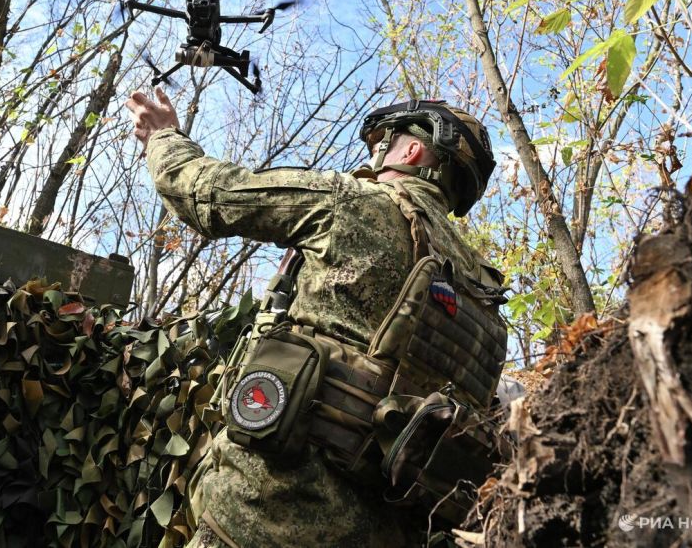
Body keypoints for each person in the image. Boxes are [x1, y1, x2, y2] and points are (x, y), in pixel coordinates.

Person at [125, 87, 506, 547]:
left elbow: (206, 192)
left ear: (412, 151)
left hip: (267, 515)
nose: (374, 158)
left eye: (383, 145)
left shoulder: (355, 202)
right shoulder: (485, 299)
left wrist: (163, 136)